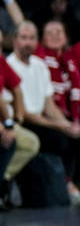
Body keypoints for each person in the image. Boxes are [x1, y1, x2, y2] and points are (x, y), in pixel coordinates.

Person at [7, 21, 80, 203]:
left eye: (32, 38)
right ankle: (59, 187)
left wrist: (68, 125)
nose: (28, 42)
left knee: (78, 134)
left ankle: (70, 183)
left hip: (40, 119)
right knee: (58, 138)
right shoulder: (9, 65)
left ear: (37, 41)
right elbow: (25, 113)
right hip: (22, 121)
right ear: (15, 41)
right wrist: (60, 126)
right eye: (23, 38)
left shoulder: (39, 65)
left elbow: (49, 105)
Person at [0, 55, 39, 210]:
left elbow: (17, 89)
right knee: (8, 142)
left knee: (30, 143)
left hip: (4, 123)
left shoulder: (1, 61)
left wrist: (17, 118)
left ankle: (2, 180)